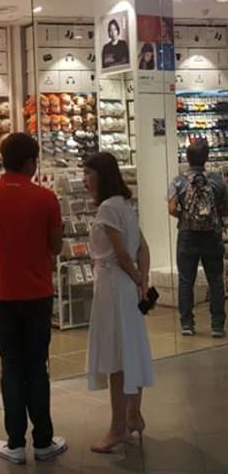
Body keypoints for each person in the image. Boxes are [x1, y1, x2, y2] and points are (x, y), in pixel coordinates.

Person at [0, 133, 66, 464]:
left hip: (0, 292)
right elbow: (56, 246)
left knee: (10, 366)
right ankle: (44, 441)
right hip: (37, 294)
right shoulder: (46, 198)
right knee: (37, 365)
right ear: (29, 162)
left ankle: (15, 443)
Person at [83, 153, 153, 452]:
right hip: (125, 287)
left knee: (116, 358)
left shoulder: (108, 208)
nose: (85, 179)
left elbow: (123, 253)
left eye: (87, 173)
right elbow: (143, 247)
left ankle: (117, 428)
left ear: (100, 175)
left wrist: (137, 277)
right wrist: (142, 280)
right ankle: (133, 416)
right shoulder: (125, 205)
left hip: (113, 287)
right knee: (131, 351)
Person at [167, 141, 228, 337]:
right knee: (216, 281)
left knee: (186, 281)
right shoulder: (218, 180)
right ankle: (217, 325)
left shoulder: (178, 181)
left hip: (187, 236)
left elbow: (171, 209)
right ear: (207, 157)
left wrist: (186, 217)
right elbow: (225, 207)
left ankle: (187, 324)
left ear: (187, 157)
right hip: (212, 235)